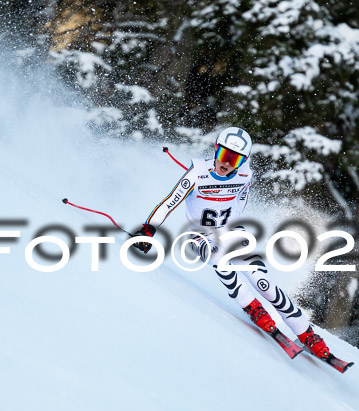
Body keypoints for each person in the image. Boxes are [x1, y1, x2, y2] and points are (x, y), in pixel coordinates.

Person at [132, 127, 330, 358]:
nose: (226, 164)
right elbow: (170, 202)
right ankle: (251, 305)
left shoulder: (245, 174)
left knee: (263, 282)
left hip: (231, 232)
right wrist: (148, 229)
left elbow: (241, 200)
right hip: (200, 236)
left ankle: (305, 332)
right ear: (216, 150)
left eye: (234, 159)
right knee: (219, 255)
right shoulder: (197, 173)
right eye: (224, 156)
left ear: (242, 161)